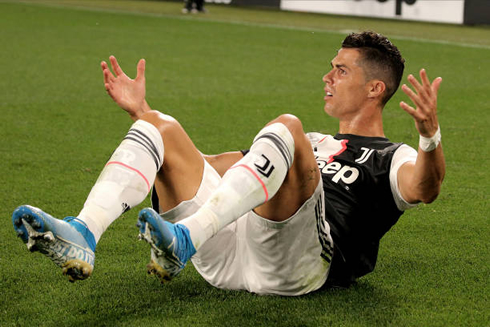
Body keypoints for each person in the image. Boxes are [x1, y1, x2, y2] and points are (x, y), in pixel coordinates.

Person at [12, 31, 445, 294]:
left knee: (286, 126)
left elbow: (423, 189)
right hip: (228, 255)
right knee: (160, 126)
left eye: (341, 70)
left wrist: (429, 136)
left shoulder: (392, 156)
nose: (327, 77)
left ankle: (185, 239)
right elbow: (211, 167)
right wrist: (141, 114)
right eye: (330, 67)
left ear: (374, 89)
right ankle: (84, 233)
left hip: (297, 267)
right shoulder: (310, 142)